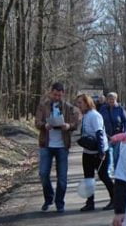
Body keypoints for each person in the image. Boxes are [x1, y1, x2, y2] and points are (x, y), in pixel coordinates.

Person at [35, 82, 80, 213]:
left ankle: (60, 202)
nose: (57, 97)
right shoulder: (43, 106)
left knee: (62, 177)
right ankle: (49, 198)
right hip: (46, 144)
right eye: (55, 94)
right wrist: (44, 125)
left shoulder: (68, 107)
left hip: (62, 145)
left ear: (63, 94)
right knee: (43, 173)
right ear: (51, 93)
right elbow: (37, 122)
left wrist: (68, 126)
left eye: (59, 95)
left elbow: (75, 123)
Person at [76, 94, 113, 212]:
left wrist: (102, 151)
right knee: (88, 178)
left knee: (103, 176)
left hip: (98, 152)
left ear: (87, 103)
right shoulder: (86, 115)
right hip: (88, 152)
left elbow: (99, 133)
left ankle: (115, 199)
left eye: (80, 103)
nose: (78, 105)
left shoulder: (94, 115)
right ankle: (90, 202)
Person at [99, 91, 126, 177]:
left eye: (112, 99)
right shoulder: (103, 109)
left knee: (116, 155)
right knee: (109, 154)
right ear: (107, 100)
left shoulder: (120, 109)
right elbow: (99, 121)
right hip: (107, 136)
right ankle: (109, 172)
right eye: (109, 99)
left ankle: (117, 171)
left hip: (118, 136)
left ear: (116, 99)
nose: (111, 101)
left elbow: (125, 121)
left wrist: (124, 133)